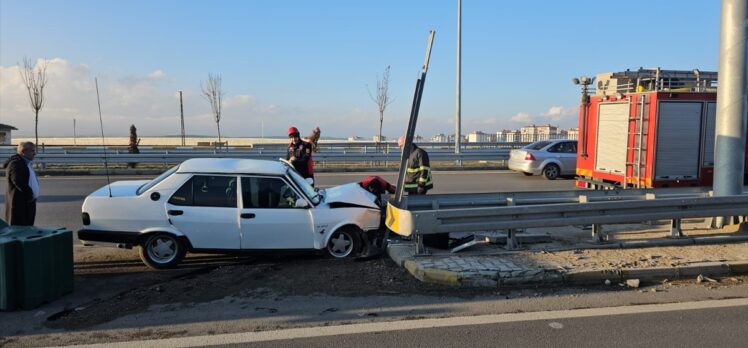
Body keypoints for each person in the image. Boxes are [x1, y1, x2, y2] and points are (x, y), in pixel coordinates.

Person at [4, 142, 40, 226]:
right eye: (32, 151)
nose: (34, 153)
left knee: (27, 229)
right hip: (20, 205)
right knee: (20, 231)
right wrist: (30, 195)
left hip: (26, 203)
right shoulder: (16, 163)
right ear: (23, 151)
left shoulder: (24, 163)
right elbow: (18, 181)